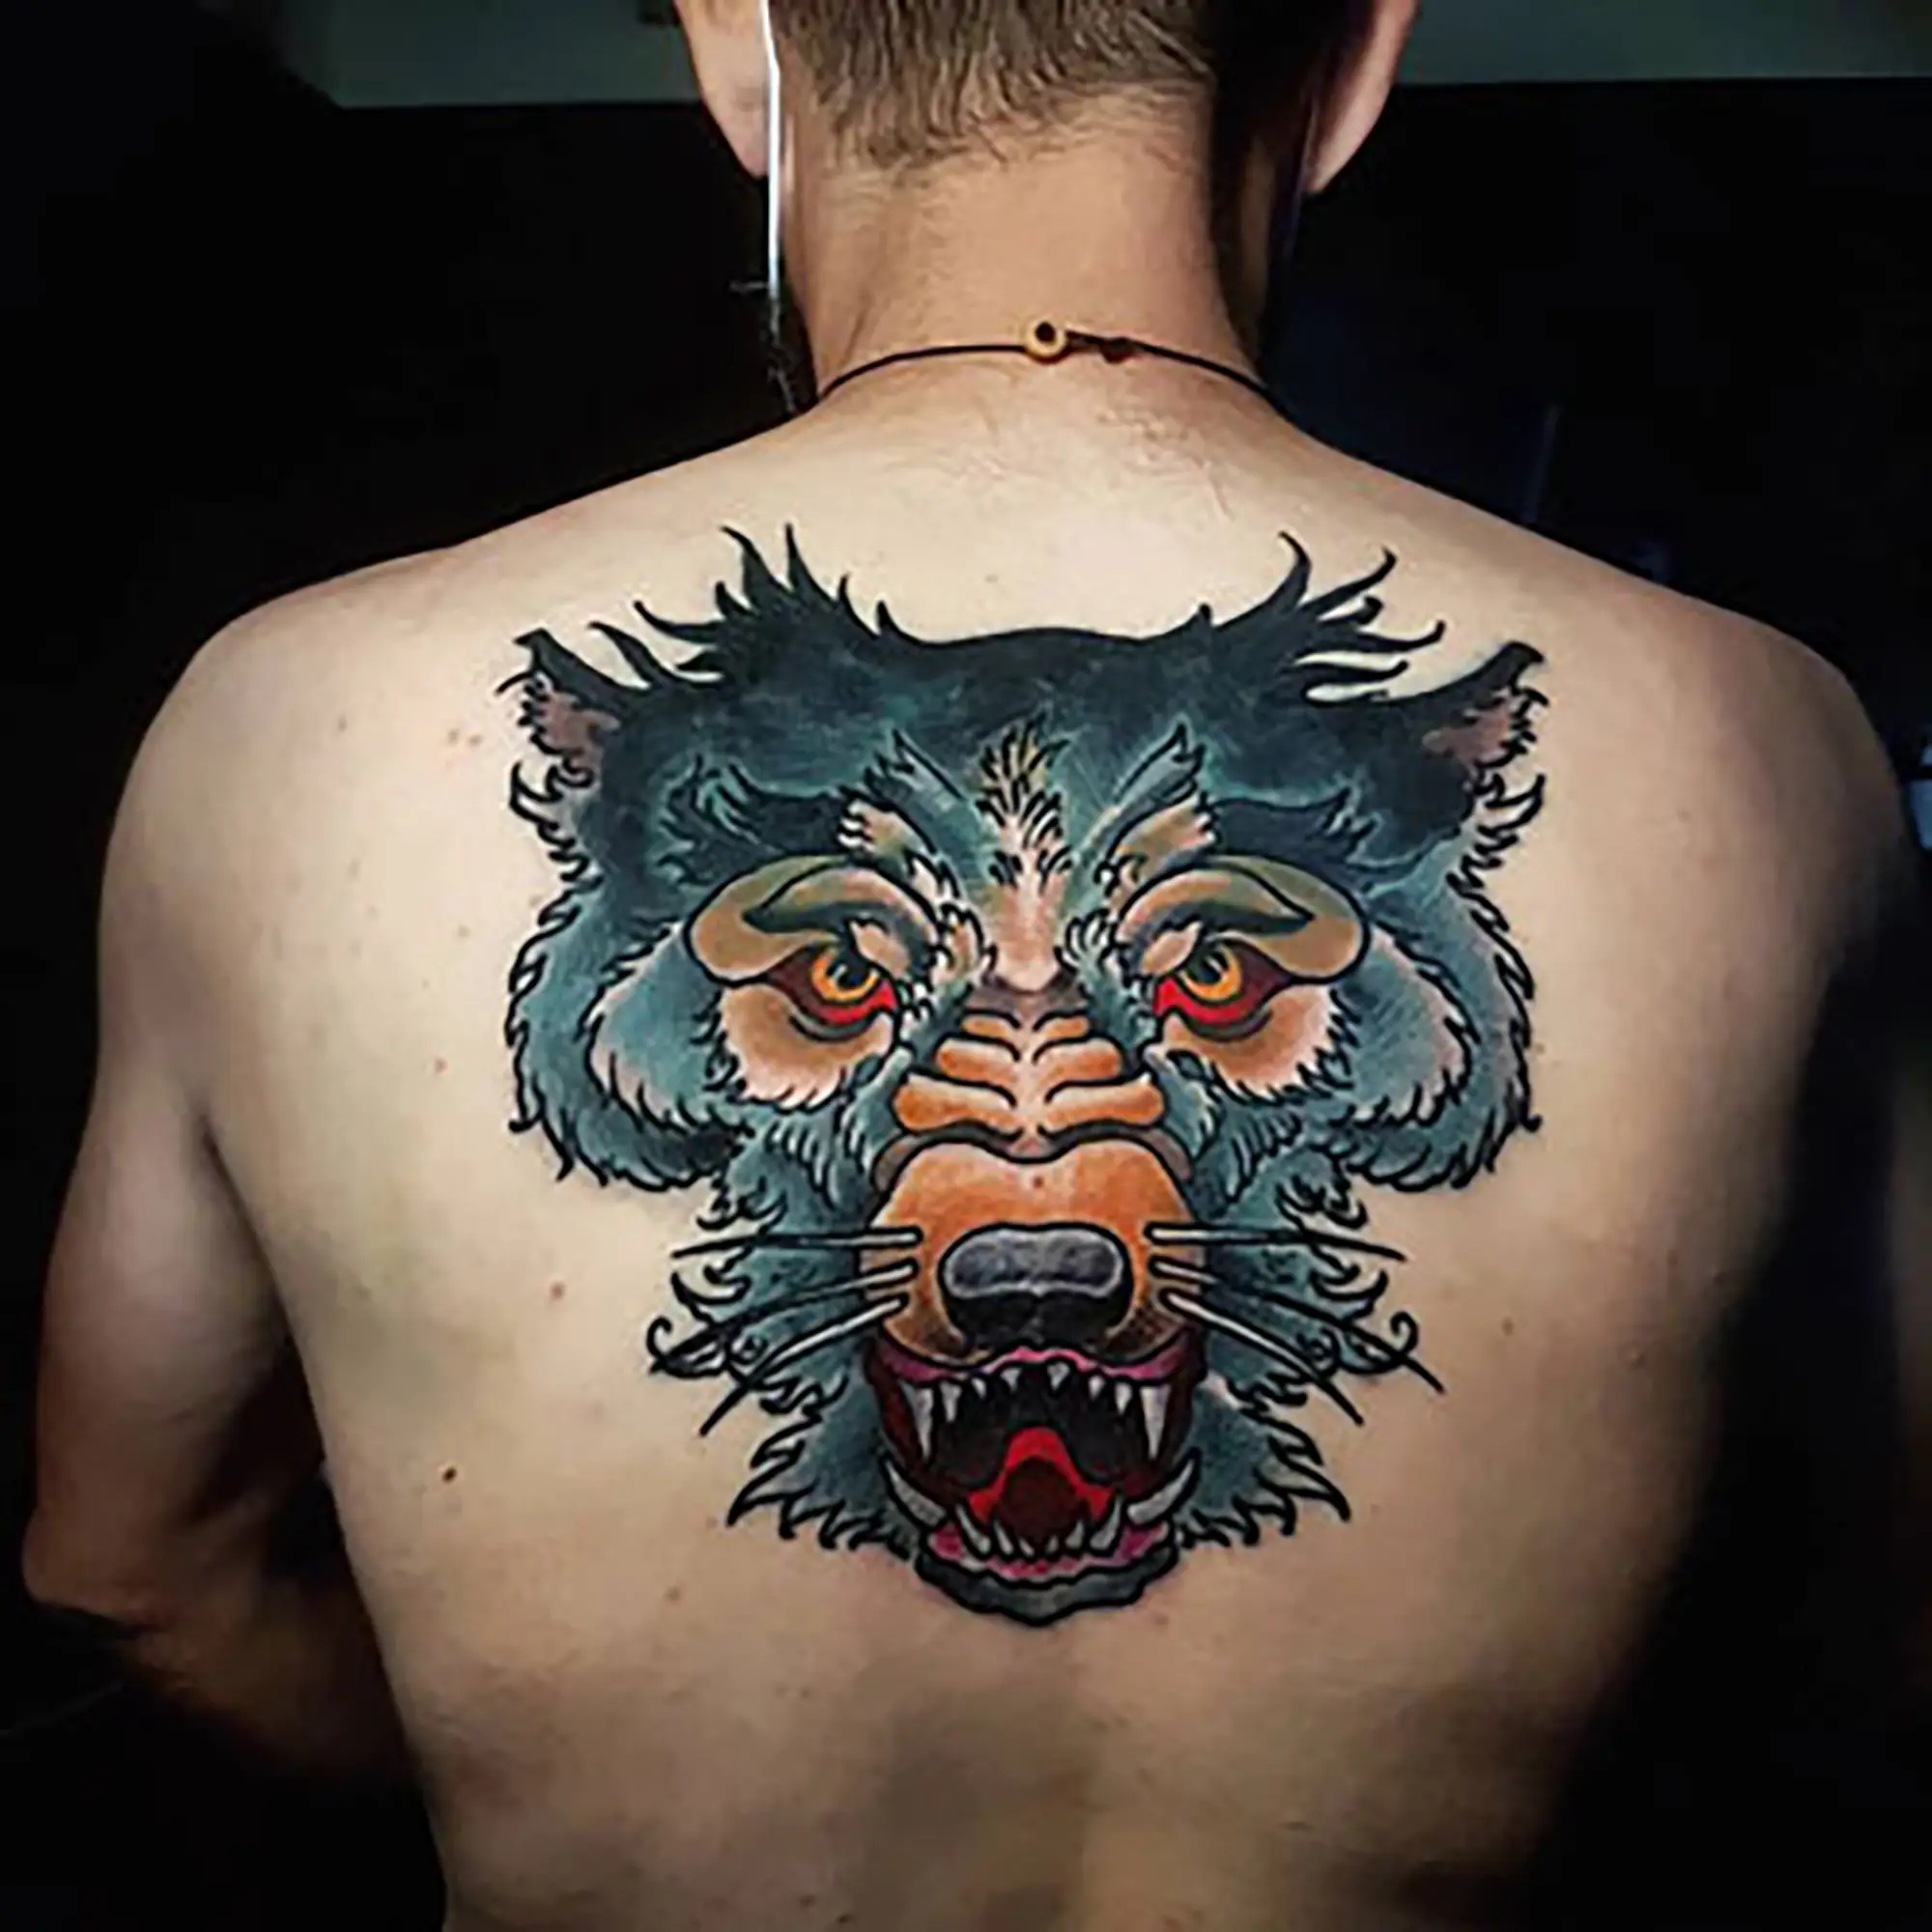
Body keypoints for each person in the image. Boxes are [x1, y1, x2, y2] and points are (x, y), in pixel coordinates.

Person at [22, 1, 1928, 1925]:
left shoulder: (292, 736)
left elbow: (131, 1573)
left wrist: (512, 1802)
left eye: (1213, 976)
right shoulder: (1763, 756)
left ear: (736, 47)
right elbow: (1866, 1644)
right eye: (840, 979)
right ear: (1356, 65)